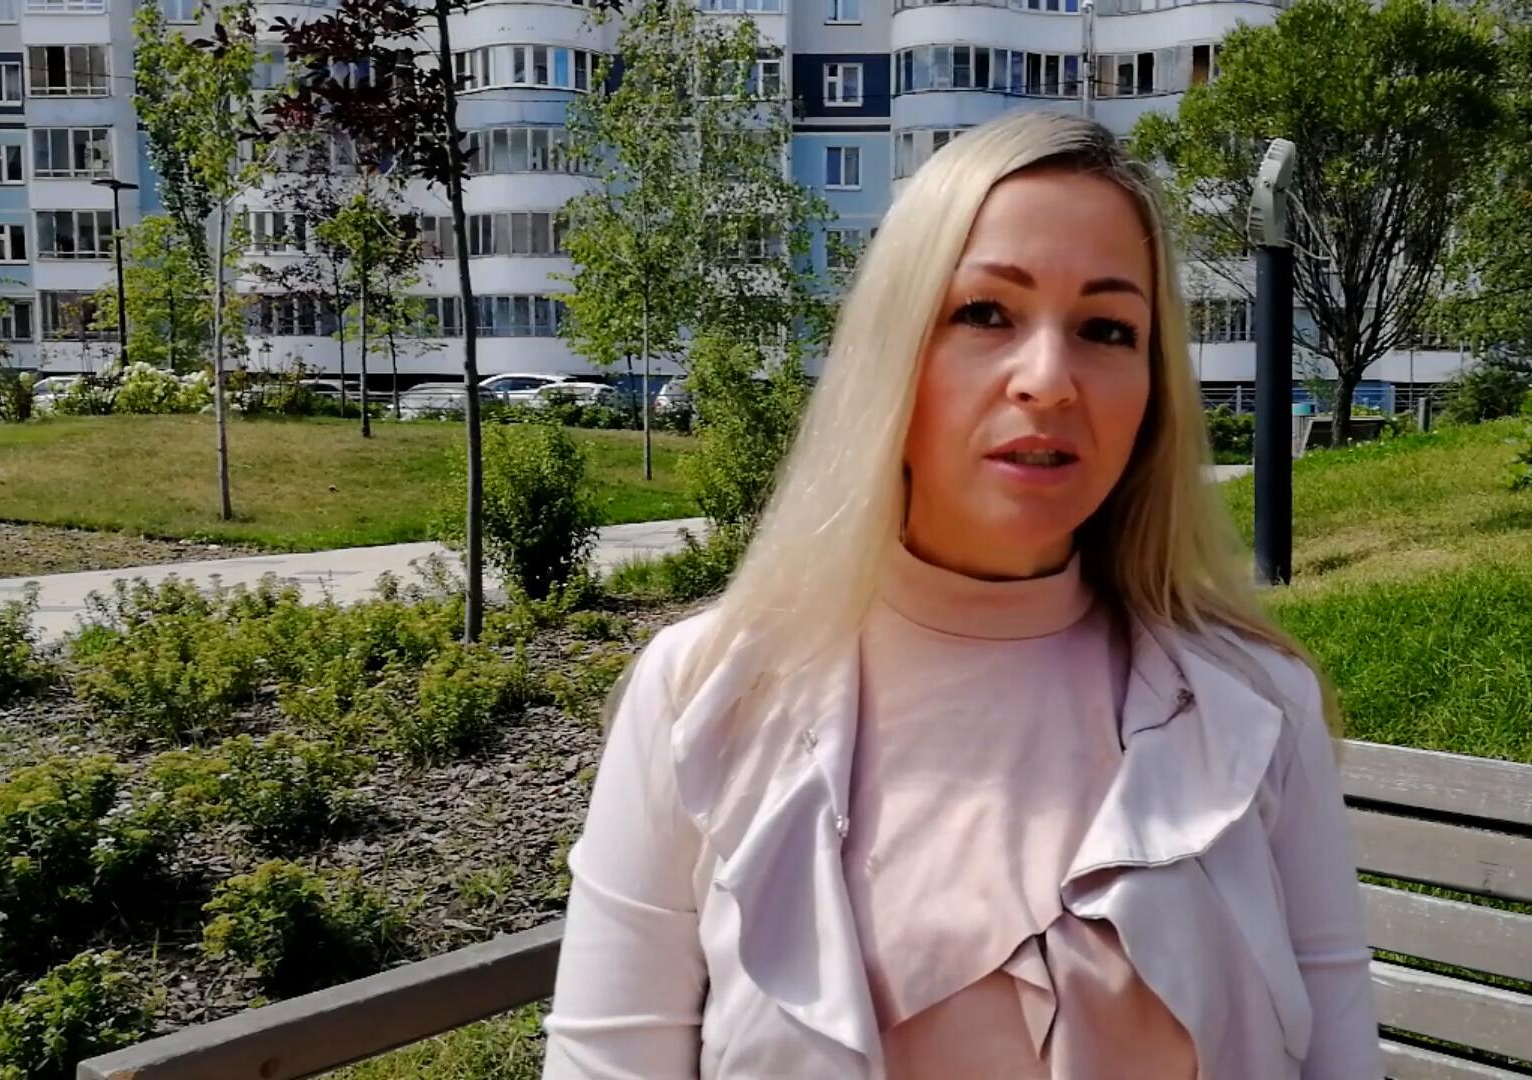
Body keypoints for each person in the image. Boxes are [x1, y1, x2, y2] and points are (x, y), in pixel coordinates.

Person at [542, 110, 1380, 1079]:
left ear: (1154, 393)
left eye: (1107, 329)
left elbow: (1338, 1059)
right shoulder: (704, 692)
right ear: (894, 351)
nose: (1049, 381)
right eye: (985, 313)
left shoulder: (1258, 706)